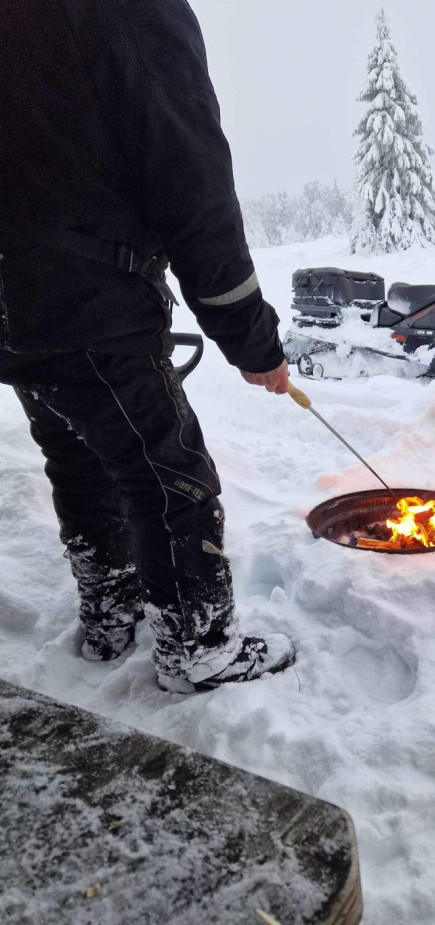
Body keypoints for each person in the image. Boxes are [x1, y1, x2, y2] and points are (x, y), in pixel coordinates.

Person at [0, 0, 296, 694]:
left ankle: (112, 612)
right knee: (169, 476)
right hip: (90, 299)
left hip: (16, 308)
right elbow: (191, 184)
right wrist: (253, 343)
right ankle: (200, 648)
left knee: (78, 452)